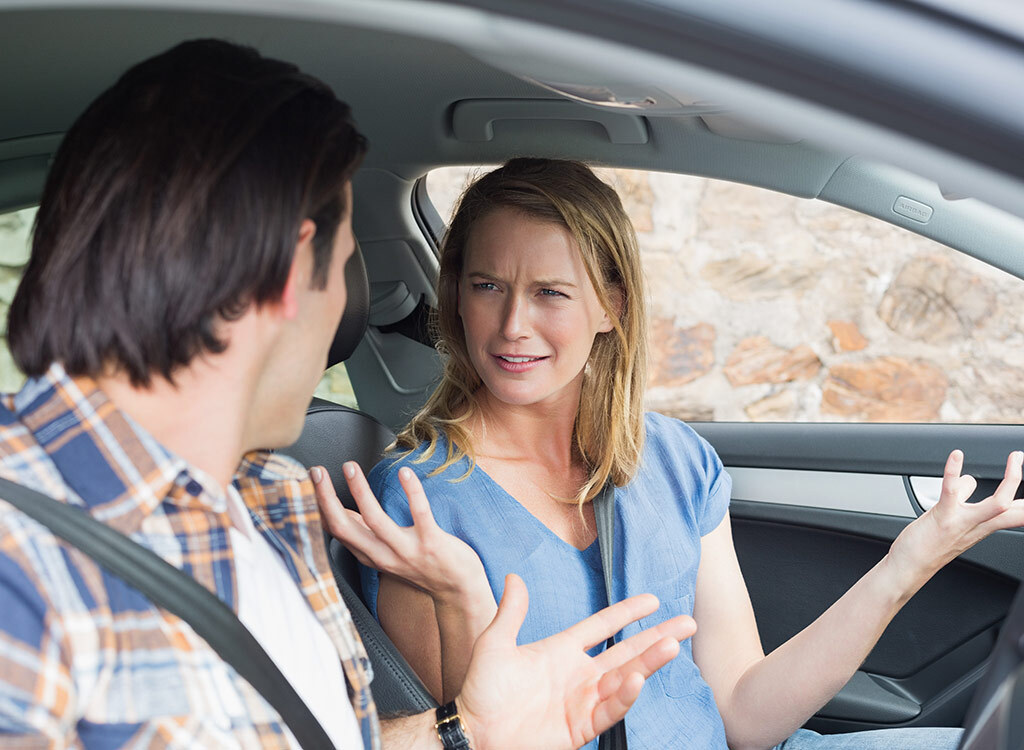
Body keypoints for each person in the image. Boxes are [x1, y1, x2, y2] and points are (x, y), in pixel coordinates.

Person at [0, 44, 697, 749]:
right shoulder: (18, 560)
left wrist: (465, 731)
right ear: (289, 275)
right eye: (342, 270)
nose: (346, 309)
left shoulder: (269, 501)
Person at [313, 158, 1024, 749]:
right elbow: (473, 732)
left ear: (612, 307)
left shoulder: (678, 459)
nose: (512, 324)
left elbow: (743, 712)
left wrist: (908, 564)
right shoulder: (419, 500)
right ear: (458, 296)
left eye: (550, 292)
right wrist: (462, 598)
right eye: (487, 286)